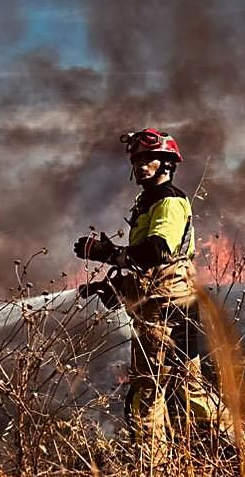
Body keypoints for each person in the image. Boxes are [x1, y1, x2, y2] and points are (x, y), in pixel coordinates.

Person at [73, 128, 234, 450]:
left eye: (149, 159)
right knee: (190, 386)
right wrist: (115, 286)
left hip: (165, 309)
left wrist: (104, 253)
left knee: (146, 392)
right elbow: (152, 266)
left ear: (167, 164)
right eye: (137, 161)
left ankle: (152, 475)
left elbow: (157, 251)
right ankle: (242, 449)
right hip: (170, 303)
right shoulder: (149, 201)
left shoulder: (169, 201)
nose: (140, 166)